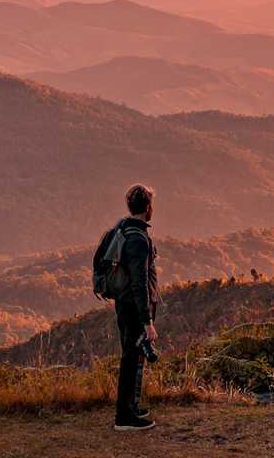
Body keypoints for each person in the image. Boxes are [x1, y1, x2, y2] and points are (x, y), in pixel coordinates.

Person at [111, 183, 159, 430]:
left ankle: (130, 407)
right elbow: (140, 283)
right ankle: (124, 417)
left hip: (125, 304)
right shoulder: (138, 239)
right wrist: (147, 321)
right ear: (148, 208)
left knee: (134, 356)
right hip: (134, 307)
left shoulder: (126, 230)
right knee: (131, 358)